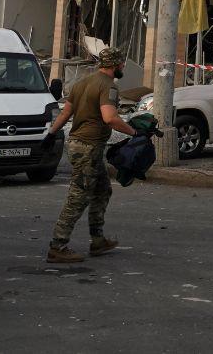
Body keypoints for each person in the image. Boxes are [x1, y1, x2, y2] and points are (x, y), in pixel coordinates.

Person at [42, 48, 138, 264]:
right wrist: (134, 133)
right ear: (115, 64)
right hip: (88, 147)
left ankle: (98, 240)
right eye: (122, 63)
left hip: (79, 145)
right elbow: (110, 118)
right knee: (78, 197)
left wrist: (51, 134)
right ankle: (57, 246)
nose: (123, 66)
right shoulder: (108, 86)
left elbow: (66, 112)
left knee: (103, 189)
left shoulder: (82, 83)